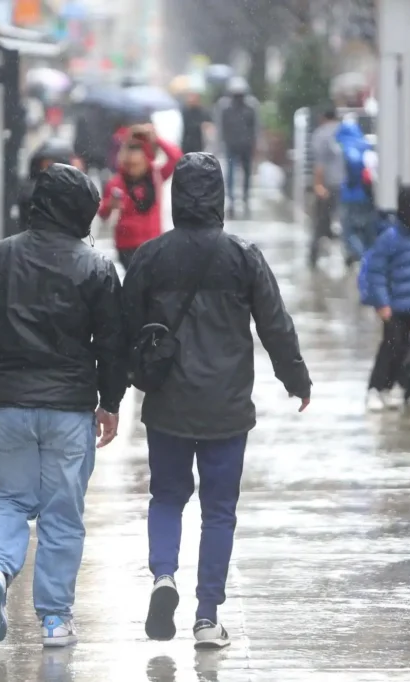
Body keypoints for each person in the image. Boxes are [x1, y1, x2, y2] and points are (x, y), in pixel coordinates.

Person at [122, 153, 312, 649]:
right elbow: (275, 324)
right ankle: (207, 617)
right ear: (219, 197)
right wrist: (297, 380)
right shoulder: (242, 256)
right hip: (227, 407)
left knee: (166, 497)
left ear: (176, 196)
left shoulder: (150, 256)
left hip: (167, 404)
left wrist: (109, 394)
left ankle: (164, 576)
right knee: (219, 510)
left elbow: (123, 331)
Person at [0, 163, 127, 649]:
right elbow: (113, 342)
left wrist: (9, 337)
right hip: (69, 409)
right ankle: (54, 619)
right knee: (61, 514)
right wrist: (110, 401)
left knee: (8, 499)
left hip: (9, 404)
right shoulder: (94, 267)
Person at [364, 184, 410, 411]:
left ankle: (388, 387)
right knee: (391, 345)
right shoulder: (390, 238)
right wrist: (382, 302)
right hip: (393, 305)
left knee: (403, 347)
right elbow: (376, 272)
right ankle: (375, 388)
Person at [99, 124, 183, 270]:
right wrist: (110, 205)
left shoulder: (156, 176)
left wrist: (156, 139)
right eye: (130, 164)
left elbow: (177, 158)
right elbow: (102, 213)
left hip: (153, 243)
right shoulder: (116, 182)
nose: (133, 167)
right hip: (127, 246)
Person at [218, 77, 260, 219]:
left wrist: (255, 144)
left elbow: (255, 128)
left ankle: (245, 197)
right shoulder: (225, 107)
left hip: (246, 146)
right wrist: (220, 144)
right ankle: (231, 200)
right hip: (231, 145)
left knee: (247, 173)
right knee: (230, 174)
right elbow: (221, 128)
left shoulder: (251, 107)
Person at [337, 119, 376, 267]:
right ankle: (367, 257)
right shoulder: (366, 145)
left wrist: (351, 182)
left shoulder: (347, 146)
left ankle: (364, 260)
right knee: (365, 230)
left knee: (349, 231)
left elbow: (353, 165)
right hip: (367, 195)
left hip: (351, 196)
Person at [16, 138, 77, 232]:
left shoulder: (70, 188)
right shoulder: (31, 188)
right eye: (46, 163)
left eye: (52, 163)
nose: (48, 167)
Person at [309, 107, 342, 268]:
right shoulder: (347, 131)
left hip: (328, 185)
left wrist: (318, 185)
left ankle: (313, 258)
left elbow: (319, 165)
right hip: (348, 186)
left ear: (323, 117)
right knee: (346, 223)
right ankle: (351, 259)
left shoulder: (321, 134)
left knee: (319, 223)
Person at [180, 89, 212, 154]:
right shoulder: (184, 111)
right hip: (186, 142)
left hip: (199, 142)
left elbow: (209, 124)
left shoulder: (203, 111)